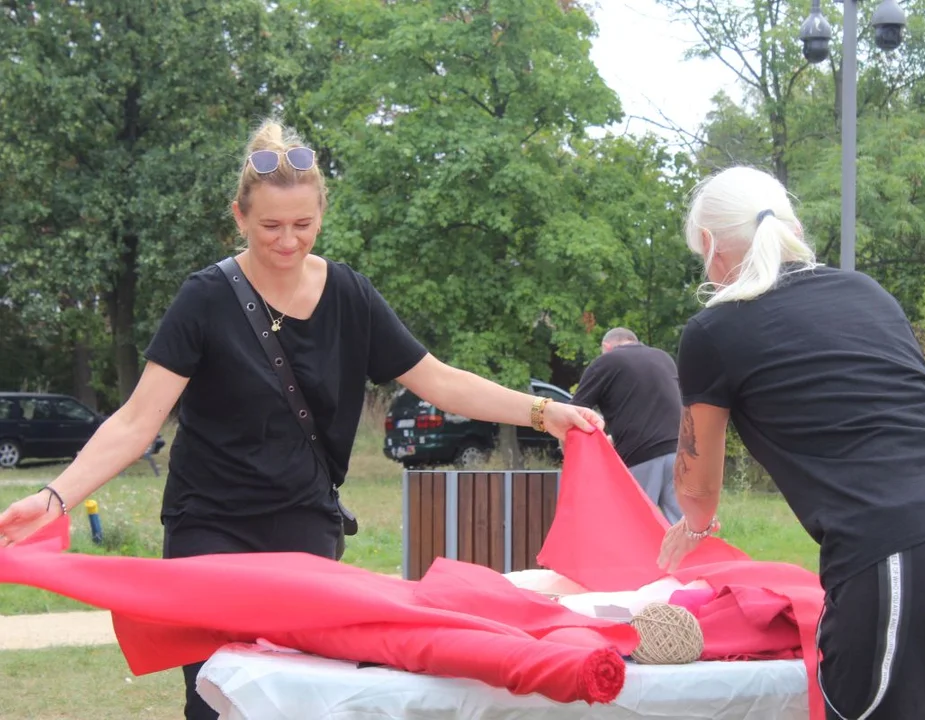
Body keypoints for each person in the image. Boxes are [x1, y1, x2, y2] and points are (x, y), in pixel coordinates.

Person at [0, 118, 603, 720]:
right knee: (218, 700)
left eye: (303, 225)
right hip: (209, 530)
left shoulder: (351, 294)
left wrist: (544, 412)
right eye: (269, 226)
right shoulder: (204, 298)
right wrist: (53, 499)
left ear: (320, 217)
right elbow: (135, 423)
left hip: (305, 526)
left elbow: (438, 380)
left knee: (302, 700)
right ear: (239, 217)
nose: (287, 241)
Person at [656, 166, 925, 720]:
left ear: (710, 246)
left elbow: (697, 485)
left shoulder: (714, 331)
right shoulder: (864, 291)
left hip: (906, 557)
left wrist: (696, 527)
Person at [570, 327, 682, 523]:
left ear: (606, 346)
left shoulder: (607, 361)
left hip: (641, 455)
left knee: (633, 525)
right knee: (685, 529)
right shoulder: (664, 358)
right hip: (680, 453)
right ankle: (700, 555)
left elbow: (573, 412)